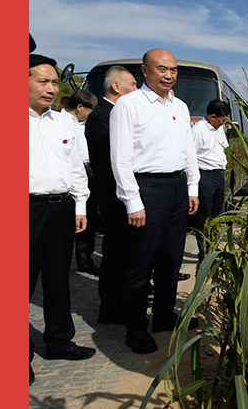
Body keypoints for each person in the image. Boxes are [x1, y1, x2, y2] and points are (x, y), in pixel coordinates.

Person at [110, 48, 201, 354]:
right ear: (145, 71)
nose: (168, 75)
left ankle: (164, 316)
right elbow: (120, 158)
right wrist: (132, 201)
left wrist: (192, 188)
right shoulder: (129, 105)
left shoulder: (180, 106)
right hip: (147, 188)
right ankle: (135, 327)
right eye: (161, 69)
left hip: (177, 188)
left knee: (171, 258)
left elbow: (189, 150)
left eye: (173, 70)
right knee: (140, 263)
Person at [29, 53, 96, 386]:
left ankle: (59, 341)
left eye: (55, 82)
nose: (51, 89)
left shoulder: (65, 123)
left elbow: (75, 169)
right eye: (42, 81)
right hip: (26, 210)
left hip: (62, 208)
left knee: (58, 279)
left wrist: (80, 206)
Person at [85, 66, 139, 324]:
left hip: (119, 194)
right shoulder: (101, 116)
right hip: (112, 194)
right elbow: (115, 157)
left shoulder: (113, 113)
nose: (135, 90)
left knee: (125, 251)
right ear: (116, 86)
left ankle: (122, 300)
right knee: (115, 252)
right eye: (132, 84)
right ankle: (110, 308)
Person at [188, 99, 232, 262]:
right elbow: (190, 157)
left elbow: (222, 148)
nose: (224, 122)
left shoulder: (219, 129)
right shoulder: (198, 131)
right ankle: (204, 254)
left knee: (216, 215)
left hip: (219, 175)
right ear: (213, 116)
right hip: (204, 176)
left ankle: (213, 248)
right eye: (222, 119)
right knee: (204, 218)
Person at [63, 89, 99, 275]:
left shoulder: (84, 124)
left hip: (87, 171)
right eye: (90, 109)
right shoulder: (59, 122)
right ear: (80, 107)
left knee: (87, 216)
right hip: (65, 174)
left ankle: (85, 259)